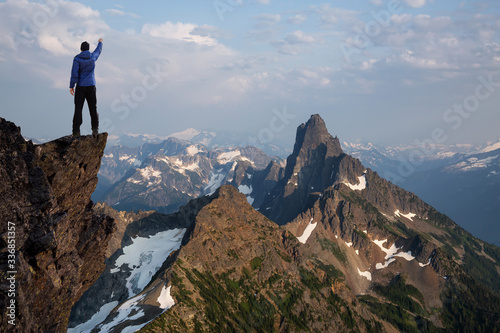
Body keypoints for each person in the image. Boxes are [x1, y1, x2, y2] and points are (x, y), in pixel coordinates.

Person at [69, 38, 103, 137]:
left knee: (78, 108)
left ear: (81, 49)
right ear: (88, 49)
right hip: (91, 86)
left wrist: (72, 86)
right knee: (93, 108)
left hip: (80, 87)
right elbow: (98, 50)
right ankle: (95, 129)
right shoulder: (92, 57)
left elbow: (74, 74)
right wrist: (100, 42)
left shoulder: (77, 59)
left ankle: (76, 131)